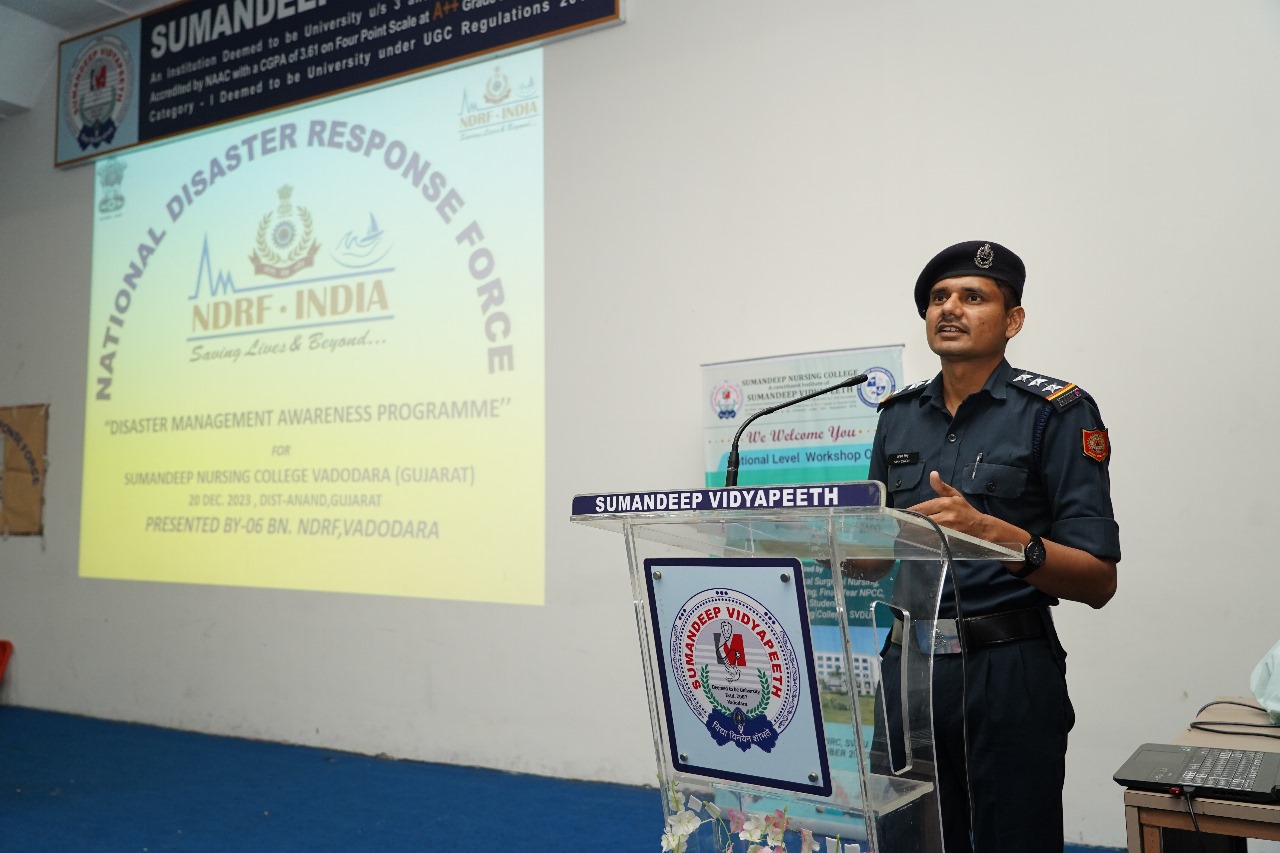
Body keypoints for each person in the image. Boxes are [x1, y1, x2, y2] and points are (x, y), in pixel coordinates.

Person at [864, 240, 1120, 853]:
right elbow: (876, 554)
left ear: (1013, 320)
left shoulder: (1056, 412)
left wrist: (989, 532)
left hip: (1007, 668)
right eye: (938, 298)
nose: (950, 308)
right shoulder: (897, 416)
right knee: (907, 842)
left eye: (973, 297)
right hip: (908, 669)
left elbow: (1098, 580)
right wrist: (833, 544)